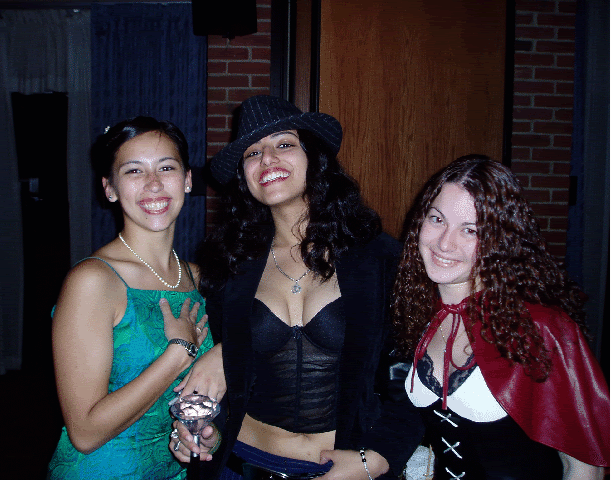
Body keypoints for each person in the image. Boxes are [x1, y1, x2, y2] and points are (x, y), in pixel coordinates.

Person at [169, 95, 423, 480]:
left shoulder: (378, 258)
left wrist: (380, 458)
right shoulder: (229, 265)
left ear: (314, 157)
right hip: (240, 465)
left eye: (284, 144)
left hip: (342, 471)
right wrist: (203, 433)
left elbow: (417, 374)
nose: (267, 159)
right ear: (243, 175)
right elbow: (227, 386)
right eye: (253, 153)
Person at [391, 154, 609, 479]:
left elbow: (583, 468)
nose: (444, 243)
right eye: (437, 219)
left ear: (500, 241)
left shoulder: (541, 329)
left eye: (470, 230)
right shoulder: (418, 313)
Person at [47, 117, 214, 479]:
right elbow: (85, 433)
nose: (154, 183)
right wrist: (178, 353)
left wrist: (199, 433)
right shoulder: (93, 281)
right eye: (134, 170)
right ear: (109, 188)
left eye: (166, 167)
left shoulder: (199, 278)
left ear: (187, 180)